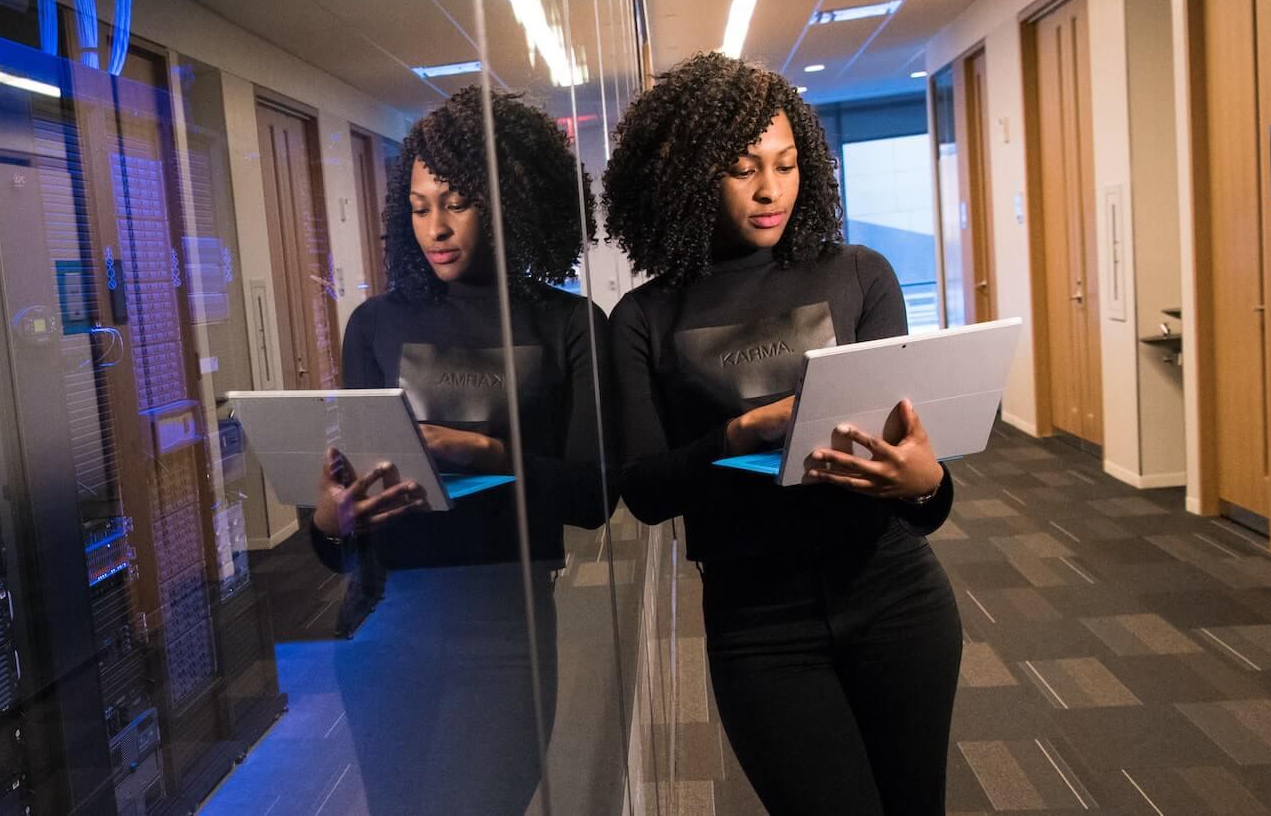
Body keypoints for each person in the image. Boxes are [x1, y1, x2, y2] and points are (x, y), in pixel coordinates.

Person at [602, 52, 960, 816]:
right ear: (693, 176)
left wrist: (926, 482)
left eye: (788, 163)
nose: (772, 190)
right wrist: (736, 433)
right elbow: (644, 489)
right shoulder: (645, 316)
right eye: (743, 168)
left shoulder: (861, 274)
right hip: (758, 622)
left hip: (895, 593)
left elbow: (916, 485)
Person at [302, 86, 612, 816]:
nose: (434, 228)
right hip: (383, 624)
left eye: (456, 203)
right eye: (417, 207)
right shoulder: (373, 324)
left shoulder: (568, 323)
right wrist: (328, 518)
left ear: (508, 203)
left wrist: (481, 449)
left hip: (505, 629)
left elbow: (595, 496)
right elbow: (341, 544)